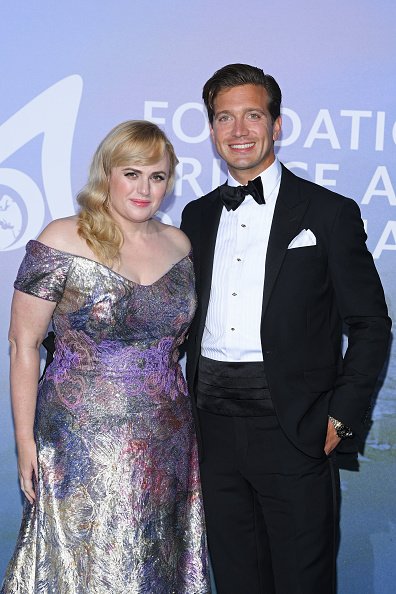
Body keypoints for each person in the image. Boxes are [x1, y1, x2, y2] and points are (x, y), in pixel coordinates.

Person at [180, 64, 391, 594]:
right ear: (211, 131)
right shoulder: (197, 216)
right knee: (234, 578)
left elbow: (370, 326)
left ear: (277, 125)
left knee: (302, 580)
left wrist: (341, 419)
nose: (239, 130)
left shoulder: (328, 212)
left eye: (253, 115)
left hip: (295, 428)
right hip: (212, 431)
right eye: (224, 118)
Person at [2, 120, 210, 593]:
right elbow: (23, 345)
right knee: (84, 567)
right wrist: (24, 439)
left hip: (167, 438)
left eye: (157, 177)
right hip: (78, 438)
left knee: (154, 563)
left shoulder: (180, 246)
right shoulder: (61, 239)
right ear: (107, 174)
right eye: (131, 173)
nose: (145, 188)